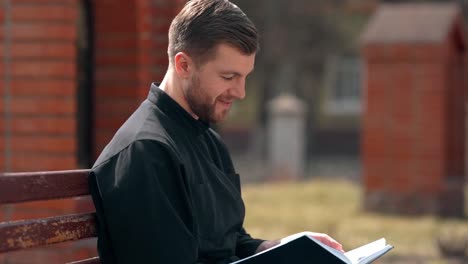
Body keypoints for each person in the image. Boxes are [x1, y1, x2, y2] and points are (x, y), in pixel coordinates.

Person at [89, 0, 343, 263]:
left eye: (245, 77)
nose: (241, 92)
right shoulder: (145, 152)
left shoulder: (210, 143)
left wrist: (281, 248)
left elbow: (229, 242)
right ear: (184, 65)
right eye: (228, 77)